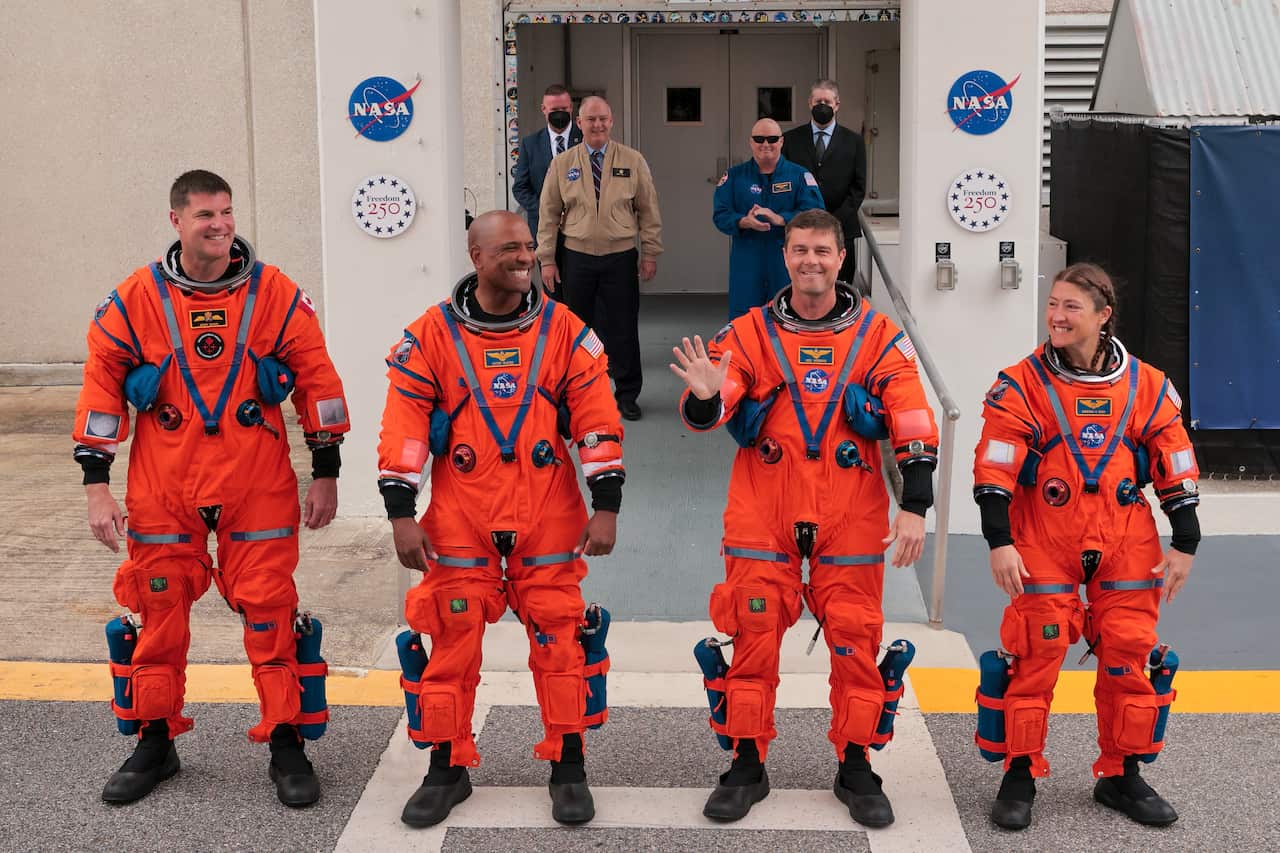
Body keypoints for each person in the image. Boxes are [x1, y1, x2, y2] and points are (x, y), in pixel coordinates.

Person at [75, 169, 350, 807]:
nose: (220, 224)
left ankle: (287, 739)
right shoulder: (134, 299)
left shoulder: (275, 293)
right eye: (205, 214)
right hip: (163, 483)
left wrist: (327, 471)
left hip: (256, 482)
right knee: (159, 610)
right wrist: (96, 486)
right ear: (177, 221)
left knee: (268, 608)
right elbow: (99, 390)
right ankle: (154, 738)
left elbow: (318, 379)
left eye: (226, 212)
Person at [672, 209, 938, 826]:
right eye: (799, 250)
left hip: (850, 508)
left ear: (841, 257)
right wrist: (709, 395)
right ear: (784, 256)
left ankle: (855, 763)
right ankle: (746, 763)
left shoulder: (878, 335)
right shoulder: (748, 333)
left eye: (822, 250)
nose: (810, 261)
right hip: (764, 509)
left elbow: (912, 418)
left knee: (853, 639)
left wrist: (916, 507)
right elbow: (714, 399)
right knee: (753, 635)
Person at [378, 210, 625, 828]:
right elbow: (404, 428)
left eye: (527, 246)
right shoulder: (430, 336)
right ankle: (446, 769)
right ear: (476, 256)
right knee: (450, 644)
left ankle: (568, 766)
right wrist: (401, 514)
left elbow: (596, 418)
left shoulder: (565, 330)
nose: (523, 256)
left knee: (561, 643)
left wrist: (608, 505)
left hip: (547, 512)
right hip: (461, 515)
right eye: (509, 248)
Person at [972, 262, 1200, 831]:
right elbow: (995, 467)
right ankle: (1019, 772)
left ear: (1104, 316)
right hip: (1043, 538)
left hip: (1125, 537)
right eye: (1053, 304)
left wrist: (1186, 540)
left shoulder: (1146, 384)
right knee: (1036, 653)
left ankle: (1121, 775)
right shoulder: (1021, 383)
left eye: (1072, 307)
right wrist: (1000, 542)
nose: (1057, 316)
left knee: (1128, 651)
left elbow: (1174, 459)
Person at [537, 95, 662, 421]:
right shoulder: (563, 164)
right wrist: (547, 259)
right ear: (579, 123)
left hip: (620, 258)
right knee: (576, 330)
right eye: (591, 119)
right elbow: (548, 214)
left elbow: (648, 212)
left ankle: (627, 394)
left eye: (603, 118)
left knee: (623, 328)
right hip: (575, 259)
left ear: (612, 121)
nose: (598, 124)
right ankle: (574, 395)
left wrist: (650, 252)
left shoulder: (632, 161)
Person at [713, 118, 824, 320]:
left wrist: (782, 219)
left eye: (772, 139)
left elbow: (816, 213)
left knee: (789, 316)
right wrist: (743, 221)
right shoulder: (734, 177)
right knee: (744, 320)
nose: (766, 144)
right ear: (751, 142)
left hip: (787, 260)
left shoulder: (799, 176)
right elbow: (721, 214)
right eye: (759, 139)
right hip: (747, 259)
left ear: (781, 141)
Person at [782, 80, 867, 286]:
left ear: (837, 104)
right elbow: (785, 183)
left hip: (841, 229)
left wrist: (833, 220)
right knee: (799, 286)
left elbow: (858, 187)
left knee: (839, 287)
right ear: (810, 103)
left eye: (827, 101)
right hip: (800, 228)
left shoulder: (853, 141)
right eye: (818, 100)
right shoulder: (790, 140)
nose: (822, 105)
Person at [511, 84, 583, 251]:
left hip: (581, 231)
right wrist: (545, 210)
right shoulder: (530, 144)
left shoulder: (585, 139)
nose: (559, 113)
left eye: (564, 108)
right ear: (543, 109)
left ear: (571, 108)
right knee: (549, 277)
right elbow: (520, 187)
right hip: (544, 231)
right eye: (554, 109)